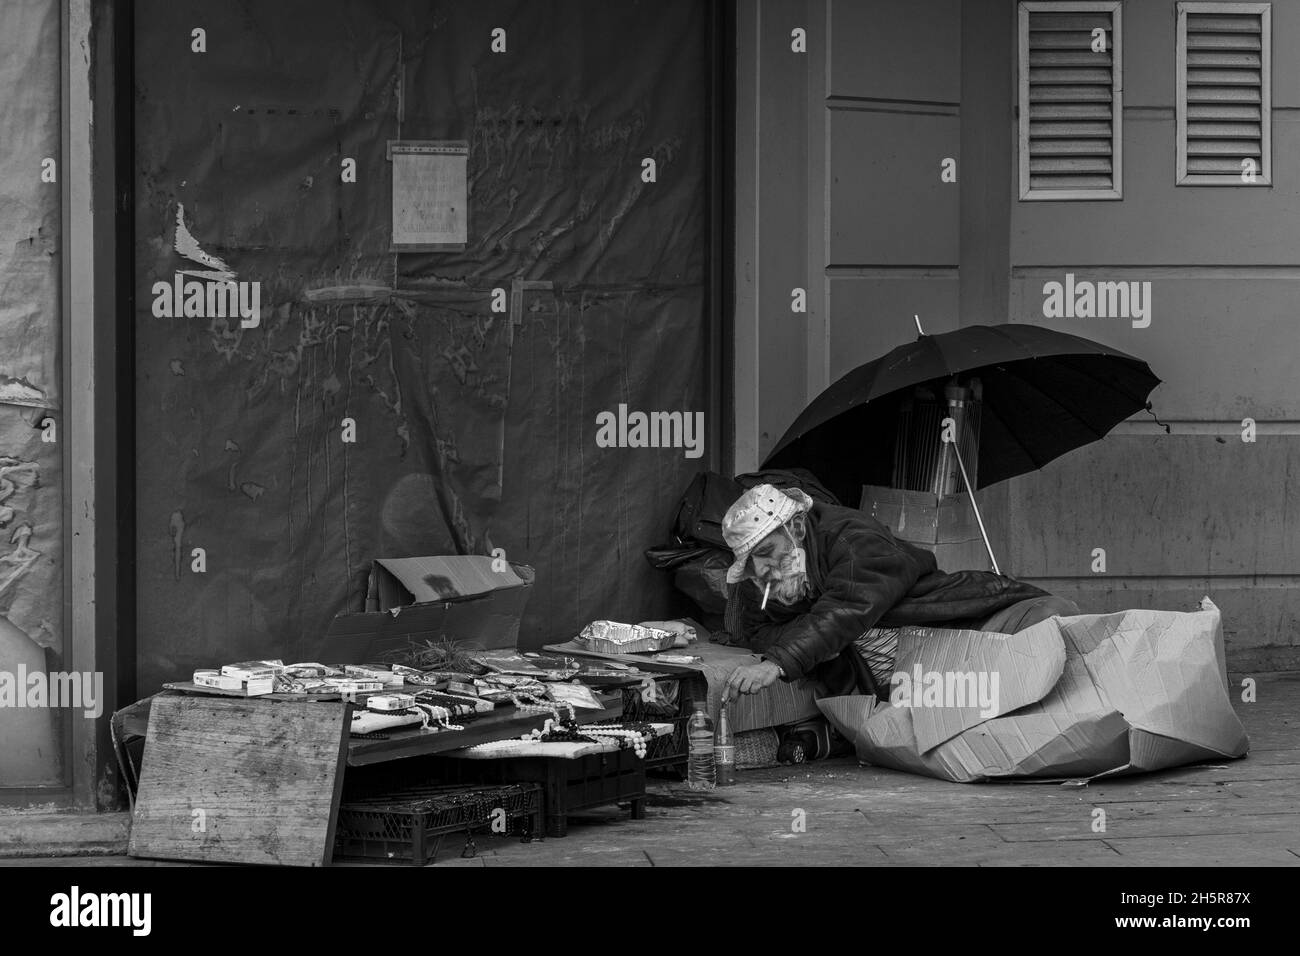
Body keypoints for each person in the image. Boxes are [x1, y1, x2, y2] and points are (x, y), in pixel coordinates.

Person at [719, 483, 1079, 701]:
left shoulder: (852, 538)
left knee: (1057, 622)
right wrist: (803, 634)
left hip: (957, 636)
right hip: (906, 685)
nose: (762, 570)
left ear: (796, 526)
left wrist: (781, 662)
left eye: (766, 553)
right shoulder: (764, 580)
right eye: (751, 563)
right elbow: (755, 634)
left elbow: (846, 608)